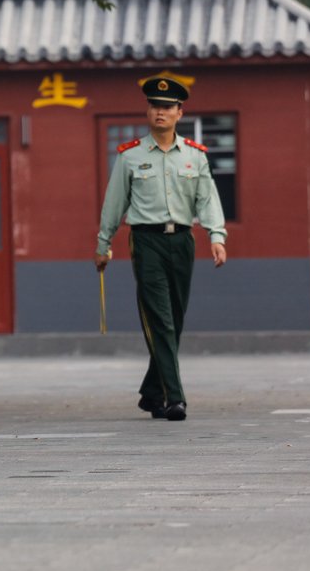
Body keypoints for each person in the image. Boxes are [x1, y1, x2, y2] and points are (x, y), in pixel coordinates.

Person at [95, 72, 227, 422]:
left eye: (168, 107)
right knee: (161, 318)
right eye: (155, 106)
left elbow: (207, 199)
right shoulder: (130, 157)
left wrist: (216, 236)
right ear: (147, 111)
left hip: (183, 240)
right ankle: (174, 397)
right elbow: (114, 203)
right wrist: (103, 243)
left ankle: (152, 392)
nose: (160, 112)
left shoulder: (195, 157)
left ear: (180, 112)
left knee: (176, 318)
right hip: (146, 240)